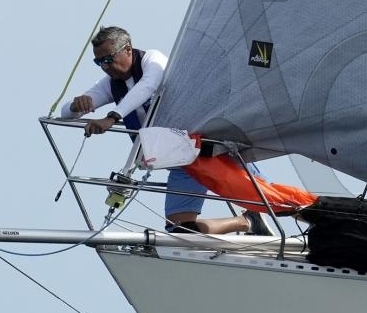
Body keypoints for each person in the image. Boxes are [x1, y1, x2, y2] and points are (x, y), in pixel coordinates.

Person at [60, 26, 253, 235]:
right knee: (180, 232)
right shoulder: (111, 83)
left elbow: (148, 86)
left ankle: (262, 216)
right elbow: (66, 113)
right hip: (181, 162)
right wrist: (76, 106)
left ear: (128, 49)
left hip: (206, 151)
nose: (105, 67)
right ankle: (248, 222)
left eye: (108, 59)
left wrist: (112, 117)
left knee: (273, 203)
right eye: (98, 62)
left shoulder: (154, 61)